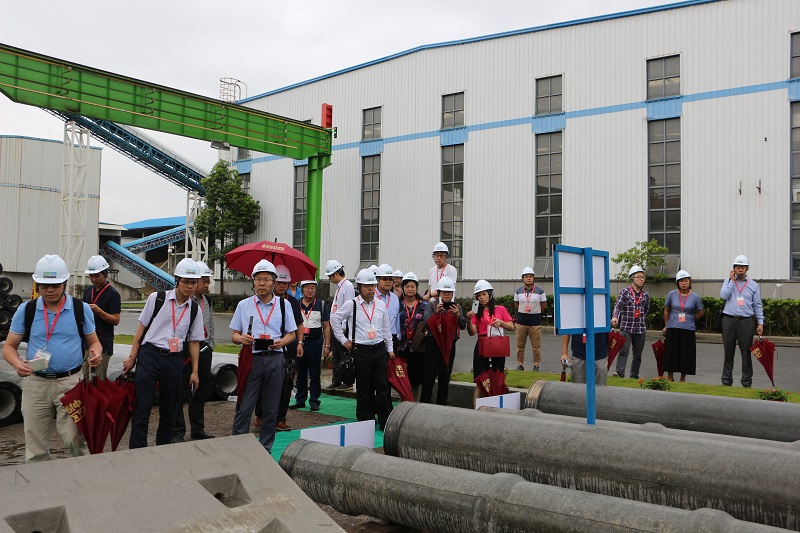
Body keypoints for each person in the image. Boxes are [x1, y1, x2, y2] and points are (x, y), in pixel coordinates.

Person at [2, 254, 102, 462]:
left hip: (71, 384)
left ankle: (84, 479)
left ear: (64, 283)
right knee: (35, 448)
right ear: (37, 285)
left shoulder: (80, 309)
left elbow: (94, 342)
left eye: (55, 285)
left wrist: (96, 353)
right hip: (36, 385)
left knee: (77, 442)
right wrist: (17, 363)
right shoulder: (27, 310)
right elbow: (9, 347)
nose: (50, 290)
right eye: (44, 285)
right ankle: (40, 482)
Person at [123, 258, 203, 449]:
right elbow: (141, 329)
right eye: (186, 282)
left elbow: (194, 341)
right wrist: (133, 356)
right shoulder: (157, 299)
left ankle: (164, 449)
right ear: (177, 280)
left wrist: (195, 371)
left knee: (170, 408)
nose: (190, 286)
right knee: (142, 406)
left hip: (174, 360)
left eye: (193, 282)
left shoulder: (195, 309)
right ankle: (137, 450)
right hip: (150, 355)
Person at [230, 260, 297, 453]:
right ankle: (239, 446)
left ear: (273, 282)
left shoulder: (284, 305)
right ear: (253, 282)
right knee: (245, 404)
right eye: (258, 279)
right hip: (252, 359)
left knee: (271, 407)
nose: (262, 283)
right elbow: (234, 335)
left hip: (275, 359)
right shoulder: (244, 305)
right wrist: (241, 339)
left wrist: (281, 342)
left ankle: (265, 448)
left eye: (266, 279)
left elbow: (292, 334)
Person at [330, 269, 394, 430]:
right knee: (364, 388)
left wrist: (390, 349)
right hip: (361, 351)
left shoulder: (380, 305)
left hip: (379, 349)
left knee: (382, 386)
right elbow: (334, 319)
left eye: (373, 285)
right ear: (359, 287)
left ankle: (386, 420)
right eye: (366, 286)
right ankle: (366, 421)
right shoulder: (351, 305)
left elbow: (386, 329)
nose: (371, 289)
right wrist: (344, 340)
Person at [174, 260, 215, 441]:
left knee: (200, 392)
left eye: (207, 281)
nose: (206, 285)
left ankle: (198, 429)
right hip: (185, 350)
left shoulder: (207, 301)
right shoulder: (184, 301)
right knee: (180, 391)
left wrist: (211, 346)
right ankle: (178, 431)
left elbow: (210, 324)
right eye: (203, 281)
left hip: (204, 350)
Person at [466, 280, 514, 405]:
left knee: (497, 378)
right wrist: (468, 320)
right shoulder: (476, 313)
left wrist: (501, 323)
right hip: (482, 346)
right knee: (480, 380)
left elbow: (511, 326)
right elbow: (472, 332)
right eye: (479, 295)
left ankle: (497, 406)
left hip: (497, 345)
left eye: (484, 294)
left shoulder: (500, 309)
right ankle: (477, 410)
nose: (481, 298)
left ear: (490, 294)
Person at [720, 255, 764, 388]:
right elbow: (723, 296)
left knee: (746, 352)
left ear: (747, 269)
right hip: (729, 320)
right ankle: (726, 381)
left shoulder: (753, 285)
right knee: (728, 352)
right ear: (733, 269)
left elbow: (757, 305)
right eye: (737, 267)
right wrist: (732, 281)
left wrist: (760, 322)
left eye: (743, 267)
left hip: (746, 321)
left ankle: (746, 382)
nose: (740, 269)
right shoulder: (728, 281)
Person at [421, 276, 465, 405]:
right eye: (444, 292)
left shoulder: (456, 307)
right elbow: (426, 322)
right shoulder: (431, 305)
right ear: (439, 292)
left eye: (449, 292)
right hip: (433, 345)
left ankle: (442, 405)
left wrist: (458, 315)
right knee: (428, 376)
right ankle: (424, 404)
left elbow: (463, 325)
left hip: (449, 345)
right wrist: (436, 313)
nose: (447, 295)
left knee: (445, 376)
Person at [290, 279, 331, 411]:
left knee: (315, 373)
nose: (310, 290)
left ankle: (314, 400)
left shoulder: (321, 305)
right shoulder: (296, 305)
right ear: (302, 289)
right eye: (307, 287)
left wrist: (327, 345)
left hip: (315, 342)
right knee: (300, 372)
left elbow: (326, 326)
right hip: (300, 342)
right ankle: (300, 400)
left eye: (313, 287)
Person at [273, 264, 304, 432]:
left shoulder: (293, 302)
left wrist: (300, 343)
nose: (281, 285)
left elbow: (299, 324)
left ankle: (280, 418)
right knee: (266, 384)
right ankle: (261, 415)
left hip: (288, 349)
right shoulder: (266, 300)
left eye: (284, 283)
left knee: (286, 384)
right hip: (270, 348)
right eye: (278, 282)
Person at [81, 255, 121, 380]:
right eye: (91, 276)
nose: (93, 279)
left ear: (105, 274)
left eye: (97, 276)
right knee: (84, 377)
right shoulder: (89, 290)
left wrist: (99, 311)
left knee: (97, 379)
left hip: (103, 343)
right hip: (87, 342)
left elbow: (116, 320)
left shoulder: (112, 294)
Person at [662, 270, 704, 383]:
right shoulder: (671, 294)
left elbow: (700, 312)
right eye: (681, 281)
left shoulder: (695, 297)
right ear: (677, 283)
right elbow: (666, 310)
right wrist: (666, 325)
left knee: (686, 354)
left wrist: (690, 318)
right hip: (673, 327)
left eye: (686, 281)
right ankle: (670, 377)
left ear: (690, 282)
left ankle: (683, 378)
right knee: (671, 352)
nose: (684, 283)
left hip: (688, 329)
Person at [611, 265, 650, 379]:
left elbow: (646, 309)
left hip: (640, 329)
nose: (641, 279)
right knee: (623, 351)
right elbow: (618, 306)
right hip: (626, 328)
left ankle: (634, 375)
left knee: (638, 354)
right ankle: (619, 373)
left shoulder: (645, 295)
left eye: (643, 277)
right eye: (639, 277)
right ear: (632, 278)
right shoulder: (625, 292)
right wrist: (615, 317)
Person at [324, 259, 356, 391]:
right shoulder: (339, 286)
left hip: (342, 327)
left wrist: (343, 326)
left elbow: (348, 306)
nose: (330, 279)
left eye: (330, 276)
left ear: (336, 273)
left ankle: (347, 381)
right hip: (336, 325)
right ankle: (336, 380)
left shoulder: (348, 286)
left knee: (344, 355)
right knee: (336, 355)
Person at [396, 271, 427, 400]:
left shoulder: (424, 305)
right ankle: (403, 403)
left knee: (415, 379)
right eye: (407, 286)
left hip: (417, 347)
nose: (410, 289)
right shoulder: (397, 303)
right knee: (402, 378)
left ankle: (414, 403)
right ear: (403, 287)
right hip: (401, 347)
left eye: (412, 286)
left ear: (417, 288)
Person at [513, 267, 547, 371]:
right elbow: (516, 304)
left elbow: (543, 305)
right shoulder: (518, 291)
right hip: (521, 322)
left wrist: (535, 312)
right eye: (526, 277)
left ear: (533, 278)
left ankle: (536, 365)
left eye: (530, 277)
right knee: (520, 345)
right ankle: (520, 364)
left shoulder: (540, 291)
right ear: (522, 278)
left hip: (535, 322)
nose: (528, 278)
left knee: (536, 346)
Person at [375, 263, 401, 351]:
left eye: (391, 279)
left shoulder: (395, 298)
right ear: (378, 279)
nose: (388, 281)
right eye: (385, 279)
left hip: (392, 339)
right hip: (376, 339)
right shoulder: (372, 297)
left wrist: (398, 336)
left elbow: (396, 321)